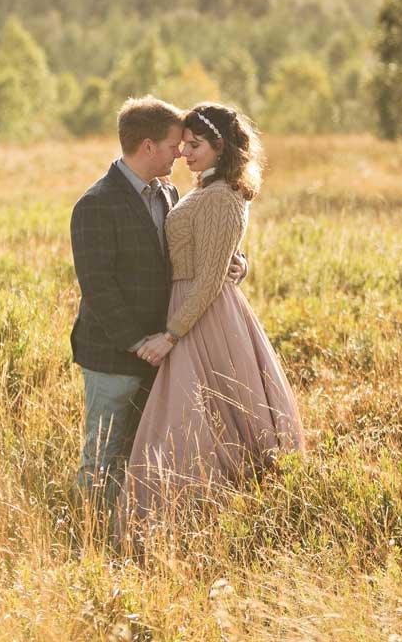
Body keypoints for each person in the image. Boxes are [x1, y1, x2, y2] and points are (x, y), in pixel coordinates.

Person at [119, 101, 304, 533]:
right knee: (196, 418)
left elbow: (208, 280)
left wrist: (171, 334)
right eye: (182, 144)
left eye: (195, 145)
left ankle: (200, 520)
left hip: (203, 317)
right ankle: (187, 522)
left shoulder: (223, 196)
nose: (184, 153)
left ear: (220, 146)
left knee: (199, 418)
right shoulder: (207, 188)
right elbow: (215, 257)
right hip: (192, 307)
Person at [69, 97, 245, 521]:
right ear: (147, 147)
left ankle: (130, 535)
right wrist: (139, 342)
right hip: (115, 353)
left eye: (187, 146)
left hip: (164, 351)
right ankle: (90, 537)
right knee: (102, 453)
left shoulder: (168, 192)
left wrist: (232, 263)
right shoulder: (96, 203)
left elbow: (190, 252)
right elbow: (98, 288)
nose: (180, 153)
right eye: (173, 146)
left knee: (144, 453)